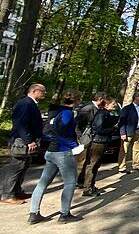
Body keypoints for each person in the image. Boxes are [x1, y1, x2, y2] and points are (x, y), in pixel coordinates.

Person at [27, 91, 83, 224]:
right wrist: (73, 145)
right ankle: (64, 214)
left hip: (51, 151)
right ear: (77, 100)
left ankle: (33, 213)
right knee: (70, 183)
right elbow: (60, 131)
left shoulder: (55, 112)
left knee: (42, 183)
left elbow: (48, 131)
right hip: (63, 152)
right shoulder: (67, 113)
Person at [1, 84, 45, 205]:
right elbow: (20, 124)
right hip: (21, 141)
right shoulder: (25, 104)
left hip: (28, 140)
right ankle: (7, 194)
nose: (44, 94)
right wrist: (28, 141)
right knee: (16, 167)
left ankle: (17, 191)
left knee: (24, 166)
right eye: (42, 92)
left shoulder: (31, 104)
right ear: (34, 91)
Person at [82, 97, 119, 196]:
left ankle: (91, 186)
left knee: (96, 164)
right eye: (113, 104)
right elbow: (98, 129)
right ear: (106, 105)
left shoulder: (105, 114)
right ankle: (87, 188)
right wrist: (112, 128)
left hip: (102, 141)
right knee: (93, 164)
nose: (114, 105)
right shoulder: (101, 114)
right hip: (98, 142)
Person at [75, 92, 105, 188]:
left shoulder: (97, 108)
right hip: (84, 138)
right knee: (81, 160)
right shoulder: (88, 109)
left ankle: (83, 180)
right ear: (100, 99)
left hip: (91, 138)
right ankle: (77, 180)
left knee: (88, 160)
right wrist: (79, 137)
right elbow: (77, 124)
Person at [117, 92, 139, 174]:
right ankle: (121, 167)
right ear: (136, 98)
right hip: (128, 131)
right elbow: (122, 121)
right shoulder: (127, 108)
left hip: (138, 130)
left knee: (137, 149)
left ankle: (136, 165)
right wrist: (122, 133)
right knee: (124, 150)